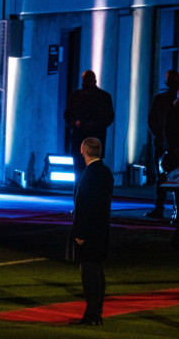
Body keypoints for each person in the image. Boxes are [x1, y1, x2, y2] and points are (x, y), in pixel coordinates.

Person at [70, 137, 113, 326]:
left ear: (84, 151)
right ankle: (96, 312)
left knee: (89, 275)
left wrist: (80, 233)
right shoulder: (105, 173)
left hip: (89, 232)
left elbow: (85, 206)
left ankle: (91, 314)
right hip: (102, 230)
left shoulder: (89, 174)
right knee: (98, 273)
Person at [64, 70, 114, 184]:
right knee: (80, 168)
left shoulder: (103, 97)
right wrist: (74, 123)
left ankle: (85, 192)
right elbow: (67, 115)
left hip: (93, 138)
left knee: (90, 169)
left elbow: (109, 117)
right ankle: (81, 191)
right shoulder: (77, 96)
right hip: (83, 138)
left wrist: (94, 125)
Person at [146, 70, 179, 218]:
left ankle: (161, 207)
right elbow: (152, 121)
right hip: (164, 144)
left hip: (167, 144)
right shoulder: (161, 99)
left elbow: (152, 121)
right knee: (164, 175)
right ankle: (162, 207)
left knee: (165, 175)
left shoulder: (161, 99)